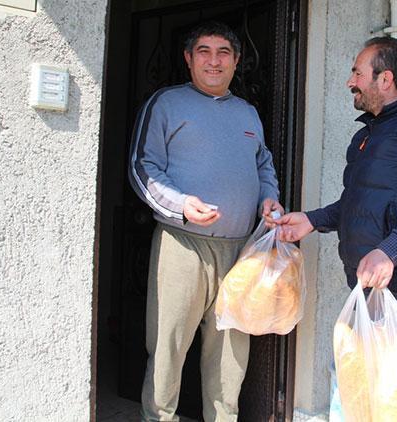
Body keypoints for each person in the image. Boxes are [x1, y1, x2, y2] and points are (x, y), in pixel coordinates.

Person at [272, 36, 397, 420]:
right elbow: (357, 204)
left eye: (357, 72)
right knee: (362, 402)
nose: (350, 81)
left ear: (384, 79)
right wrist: (311, 220)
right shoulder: (367, 135)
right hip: (365, 290)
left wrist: (390, 250)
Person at [128, 21, 283, 422]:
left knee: (230, 355)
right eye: (203, 51)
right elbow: (143, 167)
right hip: (182, 244)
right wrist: (181, 205)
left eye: (223, 53)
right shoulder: (166, 104)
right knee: (168, 346)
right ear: (188, 59)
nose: (214, 61)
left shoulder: (247, 113)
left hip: (239, 251)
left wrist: (269, 197)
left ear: (236, 61)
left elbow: (263, 163)